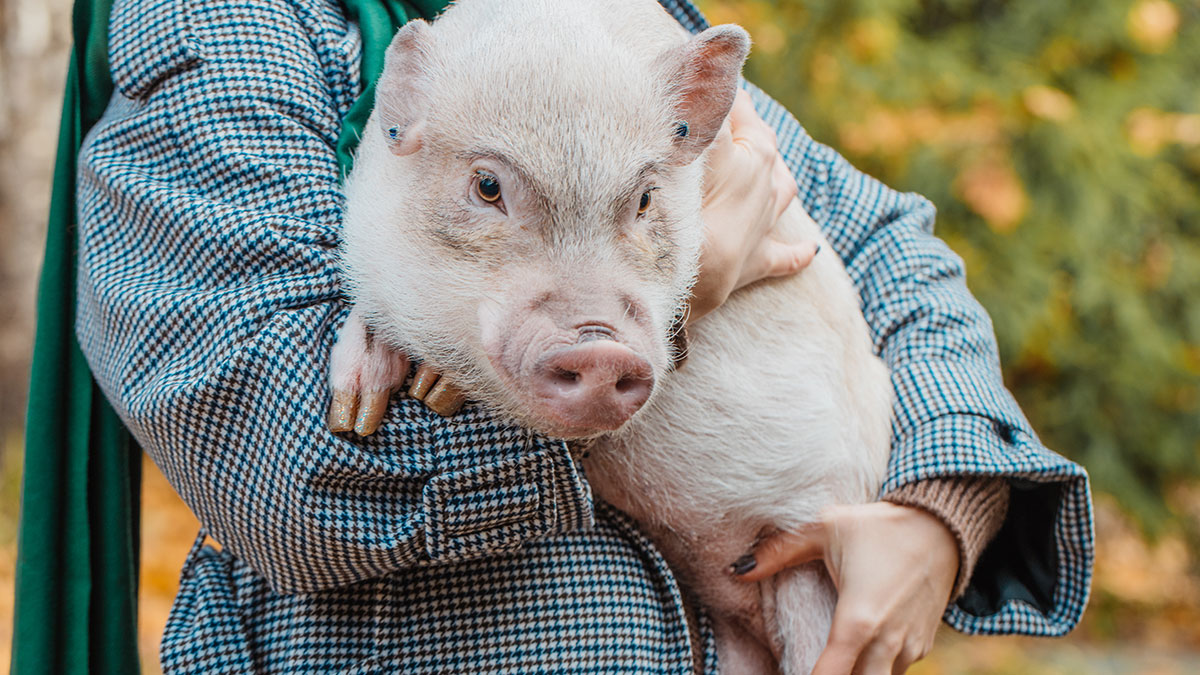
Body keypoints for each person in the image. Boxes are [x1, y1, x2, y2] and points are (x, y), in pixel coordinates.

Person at [73, 0, 1093, 672]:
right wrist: (685, 307)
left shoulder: (596, 27)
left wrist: (941, 510)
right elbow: (275, 456)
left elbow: (886, 244)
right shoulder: (233, 25)